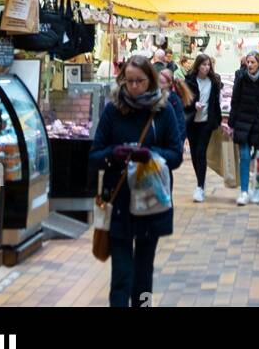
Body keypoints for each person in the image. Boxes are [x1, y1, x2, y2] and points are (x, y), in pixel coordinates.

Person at [89, 53, 183, 308]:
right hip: (119, 201)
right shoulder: (112, 110)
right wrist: (113, 154)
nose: (133, 87)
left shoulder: (163, 111)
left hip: (151, 202)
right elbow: (95, 155)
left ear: (150, 80)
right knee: (121, 274)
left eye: (139, 81)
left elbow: (175, 155)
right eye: (128, 81)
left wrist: (151, 155)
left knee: (143, 274)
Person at [225, 51, 259, 204]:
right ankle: (243, 191)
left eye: (252, 62)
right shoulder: (241, 78)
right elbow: (234, 101)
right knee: (244, 156)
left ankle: (258, 189)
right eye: (248, 62)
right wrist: (231, 124)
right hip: (242, 122)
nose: (249, 65)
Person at [184, 53, 223, 202]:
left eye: (208, 65)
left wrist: (219, 121)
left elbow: (216, 103)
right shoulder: (190, 81)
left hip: (207, 121)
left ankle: (199, 186)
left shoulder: (213, 81)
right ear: (198, 66)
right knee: (194, 153)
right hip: (192, 121)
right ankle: (200, 180)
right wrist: (194, 105)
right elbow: (184, 100)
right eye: (203, 65)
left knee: (201, 152)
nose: (206, 68)